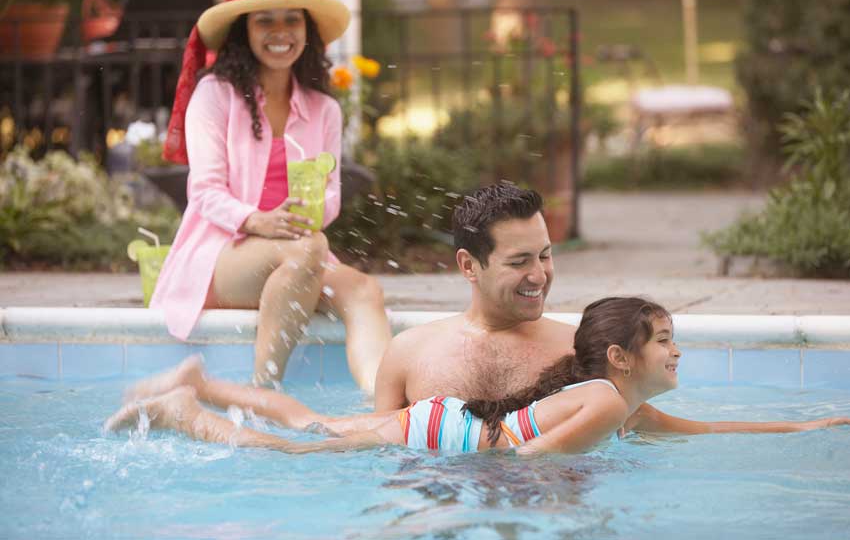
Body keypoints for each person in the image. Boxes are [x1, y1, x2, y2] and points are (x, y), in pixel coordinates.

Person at [105, 297, 850, 454]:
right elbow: (523, 467)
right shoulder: (598, 403)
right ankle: (183, 412)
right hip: (450, 434)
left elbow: (712, 428)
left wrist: (809, 424)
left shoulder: (609, 401)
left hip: (451, 425)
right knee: (299, 445)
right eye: (666, 341)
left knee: (310, 422)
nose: (678, 353)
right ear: (622, 358)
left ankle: (199, 384)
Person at [151, 0, 391, 390]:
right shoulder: (214, 95)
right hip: (222, 253)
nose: (280, 33)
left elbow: (331, 191)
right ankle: (263, 394)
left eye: (291, 20)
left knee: (364, 289)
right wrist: (258, 220)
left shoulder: (324, 110)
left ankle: (386, 406)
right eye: (265, 21)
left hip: (297, 252)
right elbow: (205, 192)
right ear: (244, 31)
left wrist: (313, 210)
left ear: (307, 31)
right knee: (311, 248)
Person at [374, 183, 577, 411]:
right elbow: (379, 441)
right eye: (519, 262)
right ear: (469, 265)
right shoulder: (408, 353)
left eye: (545, 255)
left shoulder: (579, 349)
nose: (539, 277)